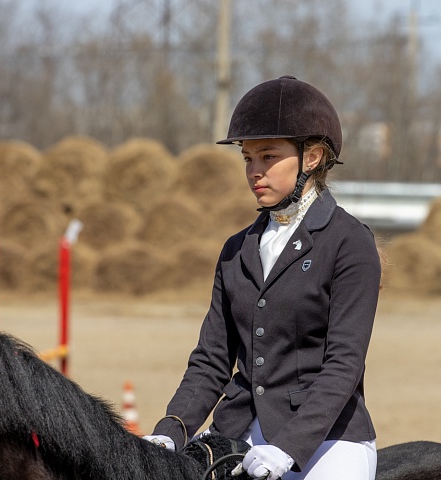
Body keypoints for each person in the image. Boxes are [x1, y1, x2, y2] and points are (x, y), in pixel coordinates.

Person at [143, 75, 381, 480]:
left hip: (327, 442)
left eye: (268, 157)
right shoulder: (237, 249)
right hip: (239, 430)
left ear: (312, 158)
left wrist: (288, 447)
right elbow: (211, 360)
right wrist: (171, 431)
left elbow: (344, 365)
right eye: (248, 158)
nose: (255, 171)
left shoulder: (349, 242)